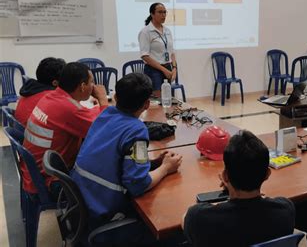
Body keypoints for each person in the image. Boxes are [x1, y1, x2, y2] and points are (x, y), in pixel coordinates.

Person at [71, 73, 183, 245]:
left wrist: (153, 163)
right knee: (173, 233)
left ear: (115, 96)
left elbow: (117, 157)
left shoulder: (106, 113)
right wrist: (166, 168)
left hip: (83, 197)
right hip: (104, 210)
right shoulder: (136, 132)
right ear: (146, 104)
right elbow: (138, 184)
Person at [183, 130, 295, 247]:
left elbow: (185, 219)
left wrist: (228, 194)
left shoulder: (199, 218)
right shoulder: (286, 209)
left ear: (225, 176)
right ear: (267, 174)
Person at [22, 62, 108, 195]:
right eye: (92, 82)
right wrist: (103, 100)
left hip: (35, 171)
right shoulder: (68, 109)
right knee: (108, 171)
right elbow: (105, 129)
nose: (94, 86)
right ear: (82, 86)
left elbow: (80, 114)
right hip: (51, 180)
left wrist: (98, 108)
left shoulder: (51, 97)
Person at [138, 2, 177, 97]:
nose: (163, 15)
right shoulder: (145, 32)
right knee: (158, 100)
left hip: (168, 68)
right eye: (160, 12)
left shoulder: (167, 31)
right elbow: (145, 56)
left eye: (165, 12)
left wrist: (174, 68)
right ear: (152, 14)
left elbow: (171, 52)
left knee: (167, 98)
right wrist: (164, 70)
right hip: (154, 70)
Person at [15, 57, 66, 126]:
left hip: (20, 129)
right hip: (29, 133)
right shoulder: (50, 96)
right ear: (55, 83)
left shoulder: (31, 87)